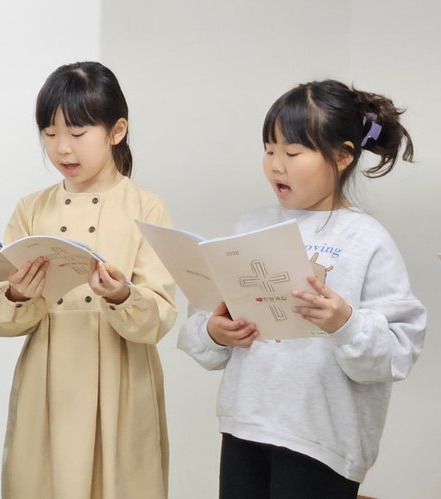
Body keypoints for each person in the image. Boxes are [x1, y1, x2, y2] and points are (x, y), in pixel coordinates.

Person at [178, 79, 427, 498]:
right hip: (245, 426)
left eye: (292, 153)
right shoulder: (250, 226)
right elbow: (203, 319)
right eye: (269, 150)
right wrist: (215, 332)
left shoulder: (367, 240)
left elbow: (398, 352)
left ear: (343, 156)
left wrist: (345, 324)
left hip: (321, 442)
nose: (276, 165)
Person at [0, 61, 178, 499]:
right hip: (47, 380)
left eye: (77, 133)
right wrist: (18, 294)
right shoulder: (30, 209)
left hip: (120, 378)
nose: (62, 149)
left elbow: (159, 317)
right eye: (50, 134)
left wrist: (122, 295)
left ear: (116, 131)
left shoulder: (147, 208)